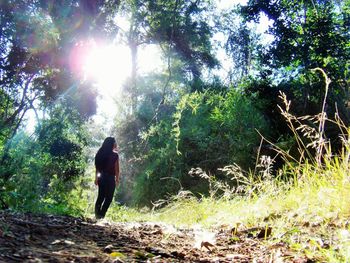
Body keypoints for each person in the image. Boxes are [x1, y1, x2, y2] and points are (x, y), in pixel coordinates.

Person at [94, 137, 120, 219]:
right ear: (112, 144)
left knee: (100, 197)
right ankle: (101, 215)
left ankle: (97, 215)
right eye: (115, 142)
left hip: (101, 177)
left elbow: (98, 168)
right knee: (109, 198)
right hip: (110, 178)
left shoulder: (100, 153)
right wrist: (117, 179)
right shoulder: (115, 155)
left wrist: (96, 178)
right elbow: (117, 169)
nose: (116, 143)